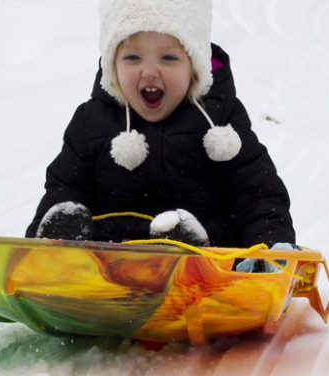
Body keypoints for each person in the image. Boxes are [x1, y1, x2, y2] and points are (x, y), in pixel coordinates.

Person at [25, 0, 297, 272]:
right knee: (70, 215)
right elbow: (64, 186)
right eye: (132, 58)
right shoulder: (92, 120)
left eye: (168, 58)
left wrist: (268, 245)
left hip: (208, 263)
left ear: (195, 65)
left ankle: (184, 254)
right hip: (111, 263)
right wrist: (55, 223)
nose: (150, 72)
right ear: (112, 64)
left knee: (193, 238)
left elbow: (257, 193)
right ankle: (55, 254)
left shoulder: (219, 119)